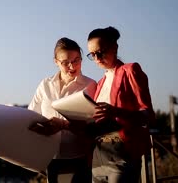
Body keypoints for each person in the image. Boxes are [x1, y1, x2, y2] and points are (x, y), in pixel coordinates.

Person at [86, 26, 155, 183]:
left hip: (123, 152)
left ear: (114, 47)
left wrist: (115, 112)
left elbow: (147, 115)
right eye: (92, 54)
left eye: (100, 52)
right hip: (99, 154)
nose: (96, 58)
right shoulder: (100, 83)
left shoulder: (130, 70)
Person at [28, 37, 97, 183]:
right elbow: (31, 115)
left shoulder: (91, 86)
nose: (72, 67)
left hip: (79, 157)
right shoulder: (45, 84)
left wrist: (64, 125)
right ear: (56, 62)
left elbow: (95, 126)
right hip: (49, 157)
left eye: (76, 60)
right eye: (66, 63)